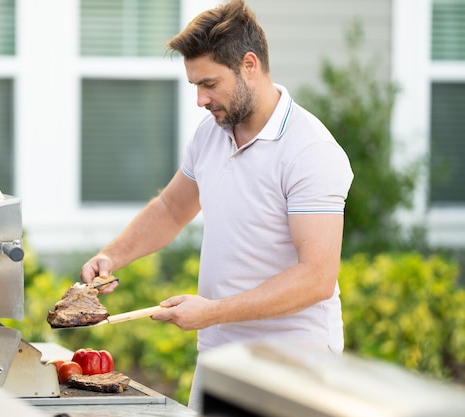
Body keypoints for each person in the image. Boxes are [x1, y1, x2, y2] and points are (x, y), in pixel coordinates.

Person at [80, 0, 353, 411]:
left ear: (249, 65)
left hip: (294, 366)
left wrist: (212, 312)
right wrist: (111, 256)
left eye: (209, 84)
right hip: (221, 355)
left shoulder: (310, 150)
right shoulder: (211, 135)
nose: (200, 100)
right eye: (195, 86)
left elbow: (315, 277)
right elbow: (172, 209)